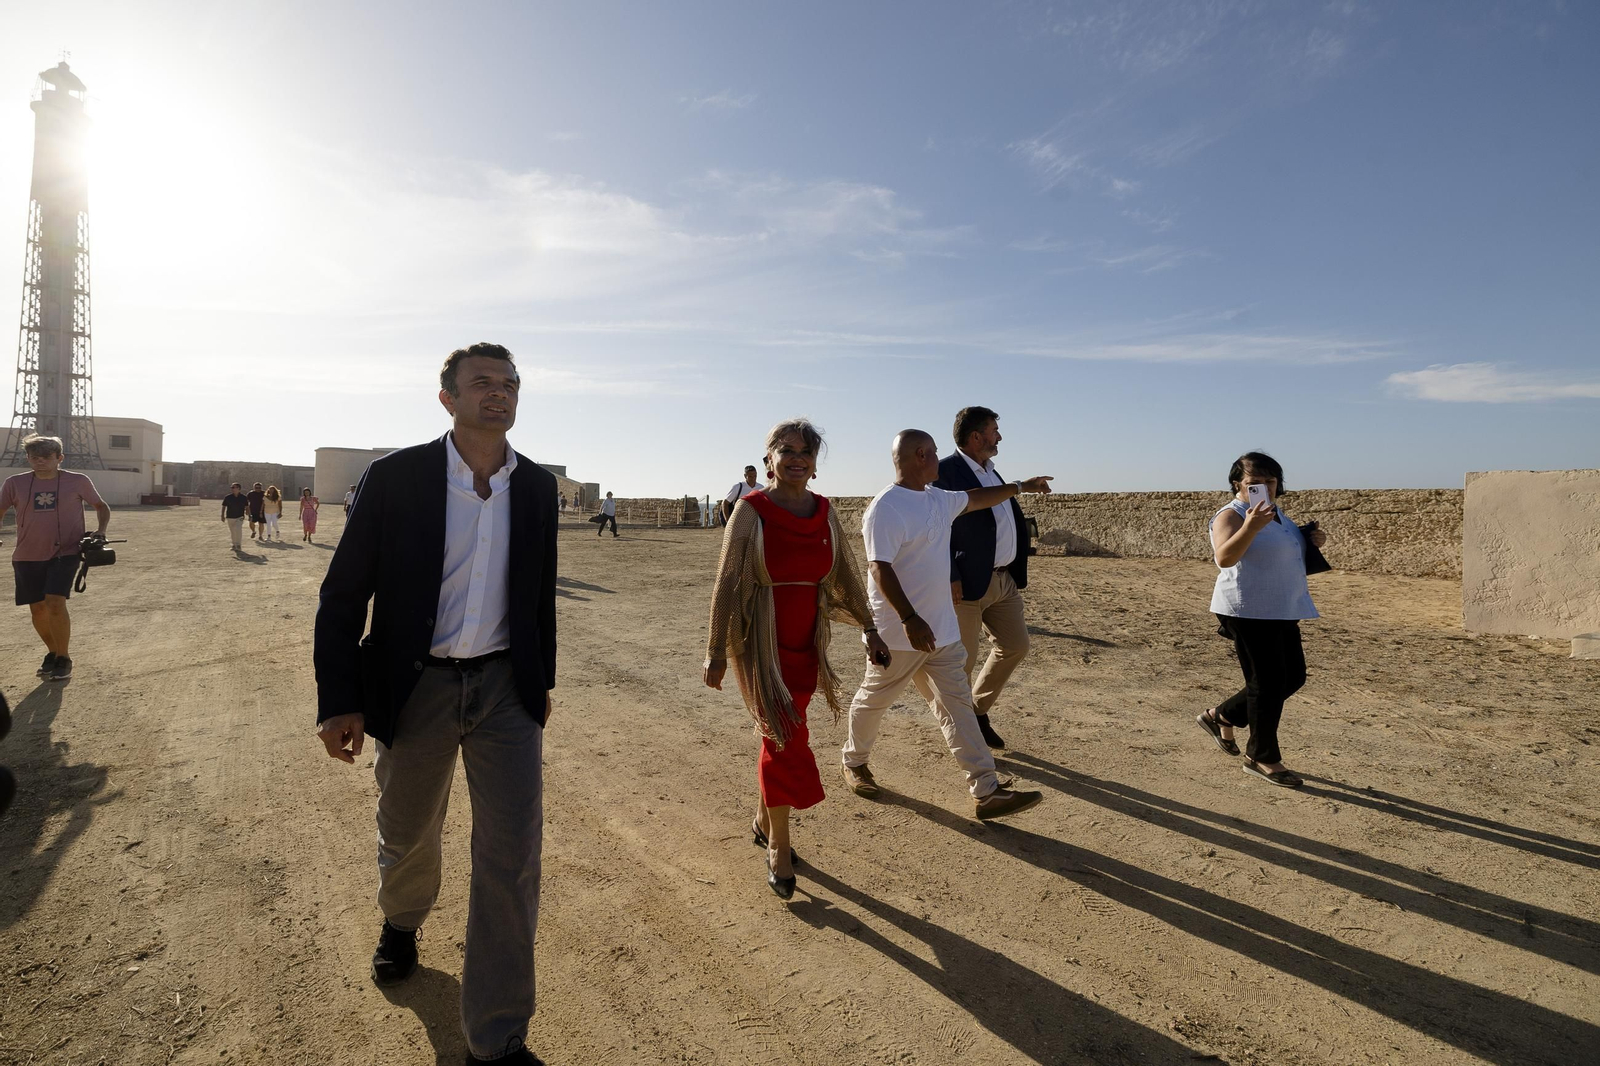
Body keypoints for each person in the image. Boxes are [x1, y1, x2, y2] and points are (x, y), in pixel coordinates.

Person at [314, 341, 557, 1066]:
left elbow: (538, 598)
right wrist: (340, 699)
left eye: (509, 383)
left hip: (505, 690)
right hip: (415, 685)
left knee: (512, 856)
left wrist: (539, 686)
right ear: (447, 397)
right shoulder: (396, 478)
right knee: (409, 830)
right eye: (481, 382)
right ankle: (402, 921)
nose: (499, 392)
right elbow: (344, 593)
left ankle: (497, 1036)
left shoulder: (536, 487)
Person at [704, 419, 885, 899]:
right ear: (769, 460)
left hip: (807, 643)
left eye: (806, 451)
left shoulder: (823, 511)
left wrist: (869, 627)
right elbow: (727, 581)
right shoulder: (751, 510)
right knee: (782, 737)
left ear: (815, 463)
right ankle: (779, 848)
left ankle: (764, 820)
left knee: (785, 733)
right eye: (786, 450)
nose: (797, 458)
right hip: (761, 643)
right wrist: (715, 651)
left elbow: (845, 572)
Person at [841, 430, 1051, 819]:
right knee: (875, 698)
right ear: (920, 455)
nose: (940, 458)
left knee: (957, 706)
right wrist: (910, 618)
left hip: (942, 631)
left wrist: (1020, 487)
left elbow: (978, 498)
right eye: (935, 452)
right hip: (900, 631)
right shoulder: (886, 508)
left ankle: (986, 790)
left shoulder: (938, 497)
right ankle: (854, 762)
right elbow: (879, 567)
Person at [1196, 451, 1327, 789]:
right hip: (1247, 608)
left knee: (1292, 677)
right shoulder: (1232, 514)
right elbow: (1225, 557)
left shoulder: (1277, 514)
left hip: (1283, 606)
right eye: (1255, 482)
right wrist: (1251, 526)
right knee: (1266, 684)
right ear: (1237, 484)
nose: (1265, 487)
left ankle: (1221, 715)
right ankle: (1261, 757)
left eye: (1270, 481)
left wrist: (1311, 541)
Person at [934, 406, 1043, 751]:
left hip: (1003, 581)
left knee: (1015, 645)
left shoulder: (992, 473)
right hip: (964, 585)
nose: (999, 437)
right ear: (976, 437)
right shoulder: (945, 472)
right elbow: (935, 529)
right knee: (960, 665)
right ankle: (965, 737)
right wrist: (950, 573)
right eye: (994, 431)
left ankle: (977, 712)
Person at [0, 434, 110, 682]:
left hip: (65, 552)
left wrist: (101, 531)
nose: (40, 461)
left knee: (55, 603)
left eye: (46, 457)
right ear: (28, 458)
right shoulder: (14, 483)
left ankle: (64, 658)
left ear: (60, 458)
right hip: (26, 555)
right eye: (34, 457)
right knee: (37, 608)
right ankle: (52, 652)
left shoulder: (77, 481)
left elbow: (101, 506)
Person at [221, 483, 249, 551]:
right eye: (232, 487)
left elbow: (247, 506)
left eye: (234, 487)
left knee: (238, 529)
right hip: (230, 516)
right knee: (233, 531)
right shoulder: (228, 497)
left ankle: (238, 544)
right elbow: (224, 506)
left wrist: (248, 514)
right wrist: (222, 515)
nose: (233, 489)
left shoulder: (243, 497)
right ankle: (234, 544)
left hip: (239, 516)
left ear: (239, 489)